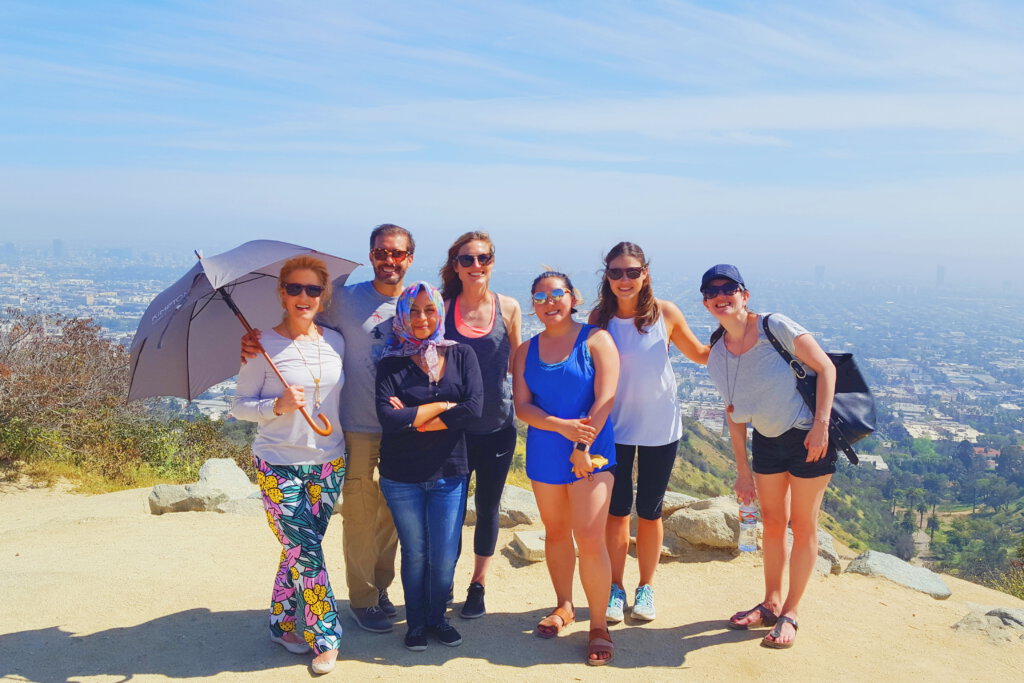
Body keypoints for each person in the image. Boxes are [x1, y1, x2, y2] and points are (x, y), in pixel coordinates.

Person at [243, 224, 414, 634]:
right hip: (355, 426)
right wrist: (254, 341)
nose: (388, 259)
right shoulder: (347, 298)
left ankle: (380, 586)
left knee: (392, 516)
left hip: (402, 428)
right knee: (359, 515)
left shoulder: (417, 302)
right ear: (371, 255)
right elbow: (299, 320)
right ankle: (362, 599)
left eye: (397, 253)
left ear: (409, 258)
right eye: (381, 252)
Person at [700, 264, 837, 650]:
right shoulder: (717, 355)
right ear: (705, 303)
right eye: (711, 292)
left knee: (803, 525)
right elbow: (734, 416)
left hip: (808, 437)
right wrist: (742, 471)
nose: (720, 295)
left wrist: (821, 425)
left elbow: (825, 367)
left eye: (728, 288)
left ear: (744, 295)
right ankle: (771, 603)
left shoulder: (774, 326)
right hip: (766, 440)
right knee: (773, 523)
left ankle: (792, 612)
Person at [233, 255, 347, 675]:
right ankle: (326, 636)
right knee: (307, 552)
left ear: (323, 295)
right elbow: (239, 406)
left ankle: (282, 624)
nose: (304, 296)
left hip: (329, 461)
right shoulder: (260, 346)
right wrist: (275, 406)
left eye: (313, 289)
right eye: (295, 288)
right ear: (282, 293)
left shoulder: (336, 342)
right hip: (278, 464)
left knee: (298, 550)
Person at [589, 242, 709, 623]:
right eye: (616, 272)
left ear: (645, 274)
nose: (624, 279)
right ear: (607, 277)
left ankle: (646, 587)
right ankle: (615, 587)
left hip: (661, 428)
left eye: (632, 272)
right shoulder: (600, 318)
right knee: (616, 511)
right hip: (615, 428)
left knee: (650, 511)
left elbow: (700, 354)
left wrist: (740, 333)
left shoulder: (665, 314)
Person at [512, 270, 619, 666]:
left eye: (557, 294)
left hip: (592, 450)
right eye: (540, 297)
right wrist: (561, 427)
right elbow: (523, 407)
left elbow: (606, 399)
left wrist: (580, 444)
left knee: (590, 538)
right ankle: (564, 605)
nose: (549, 302)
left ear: (573, 297)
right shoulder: (526, 350)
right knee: (556, 532)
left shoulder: (596, 340)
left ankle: (599, 626)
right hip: (545, 448)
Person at [375, 282, 483, 651]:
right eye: (414, 311)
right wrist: (442, 407)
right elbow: (389, 419)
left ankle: (439, 618)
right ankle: (417, 624)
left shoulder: (462, 354)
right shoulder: (391, 362)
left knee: (444, 555)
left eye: (429, 310)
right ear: (402, 316)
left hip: (449, 471)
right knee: (415, 552)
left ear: (440, 313)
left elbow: (474, 408)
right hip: (401, 474)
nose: (422, 318)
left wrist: (416, 418)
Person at [438, 231, 522, 619]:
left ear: (492, 262)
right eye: (467, 259)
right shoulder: (442, 308)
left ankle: (478, 584)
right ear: (455, 265)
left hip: (497, 426)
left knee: (488, 507)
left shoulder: (508, 308)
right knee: (450, 512)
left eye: (483, 258)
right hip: (452, 430)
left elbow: (517, 364)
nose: (476, 265)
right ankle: (443, 582)